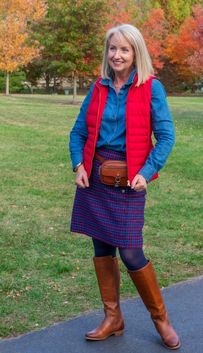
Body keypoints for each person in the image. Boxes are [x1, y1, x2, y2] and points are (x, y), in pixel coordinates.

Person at [69, 24, 181, 350]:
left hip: (129, 181)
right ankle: (113, 318)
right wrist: (78, 165)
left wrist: (147, 172)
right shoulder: (98, 87)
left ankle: (161, 319)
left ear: (136, 53)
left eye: (124, 49)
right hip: (95, 178)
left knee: (131, 252)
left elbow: (166, 137)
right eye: (112, 49)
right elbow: (78, 132)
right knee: (102, 249)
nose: (117, 55)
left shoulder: (151, 88)